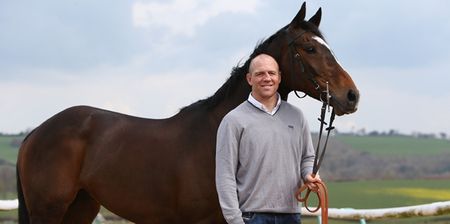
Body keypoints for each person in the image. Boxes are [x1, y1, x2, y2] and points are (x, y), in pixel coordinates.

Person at [215, 53, 321, 224]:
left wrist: (308, 174)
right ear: (249, 79)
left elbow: (307, 157)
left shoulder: (296, 116)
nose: (267, 78)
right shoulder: (233, 120)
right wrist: (235, 221)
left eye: (271, 73)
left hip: (291, 216)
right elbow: (224, 175)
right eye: (260, 74)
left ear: (279, 77)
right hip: (252, 217)